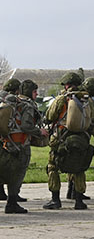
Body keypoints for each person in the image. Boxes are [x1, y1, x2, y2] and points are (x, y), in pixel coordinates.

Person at [43, 72, 94, 210]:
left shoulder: (61, 99)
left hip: (60, 139)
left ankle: (55, 200)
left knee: (53, 167)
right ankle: (79, 201)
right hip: (82, 139)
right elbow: (93, 121)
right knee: (79, 169)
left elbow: (49, 117)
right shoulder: (87, 100)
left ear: (66, 85)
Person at [1, 79, 47, 214]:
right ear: (28, 92)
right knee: (17, 174)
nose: (36, 94)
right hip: (20, 145)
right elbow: (26, 126)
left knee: (6, 172)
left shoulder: (12, 102)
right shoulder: (27, 106)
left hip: (7, 143)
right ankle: (12, 203)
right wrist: (40, 132)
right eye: (34, 91)